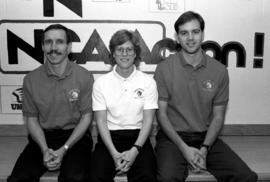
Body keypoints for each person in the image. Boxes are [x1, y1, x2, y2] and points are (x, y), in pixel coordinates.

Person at [154, 11, 258, 182]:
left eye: (195, 32)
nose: (190, 37)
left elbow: (218, 117)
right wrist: (183, 148)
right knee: (167, 178)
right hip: (172, 138)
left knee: (245, 176)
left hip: (206, 137)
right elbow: (162, 115)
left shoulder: (219, 70)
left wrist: (204, 149)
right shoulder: (164, 69)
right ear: (177, 38)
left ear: (202, 34)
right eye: (184, 33)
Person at [8, 24, 94, 182]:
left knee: (75, 178)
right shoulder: (30, 80)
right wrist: (44, 149)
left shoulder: (84, 76)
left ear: (68, 47)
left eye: (60, 42)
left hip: (75, 137)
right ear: (42, 46)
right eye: (48, 42)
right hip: (42, 137)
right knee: (18, 178)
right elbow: (32, 120)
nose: (53, 47)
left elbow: (86, 118)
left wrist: (64, 149)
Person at [89, 29, 158, 182]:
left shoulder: (148, 82)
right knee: (96, 176)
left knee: (147, 176)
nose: (125, 54)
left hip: (138, 139)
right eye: (120, 49)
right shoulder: (101, 83)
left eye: (129, 49)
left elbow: (148, 121)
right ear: (113, 53)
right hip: (109, 140)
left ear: (136, 53)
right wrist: (114, 153)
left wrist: (134, 151)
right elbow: (101, 122)